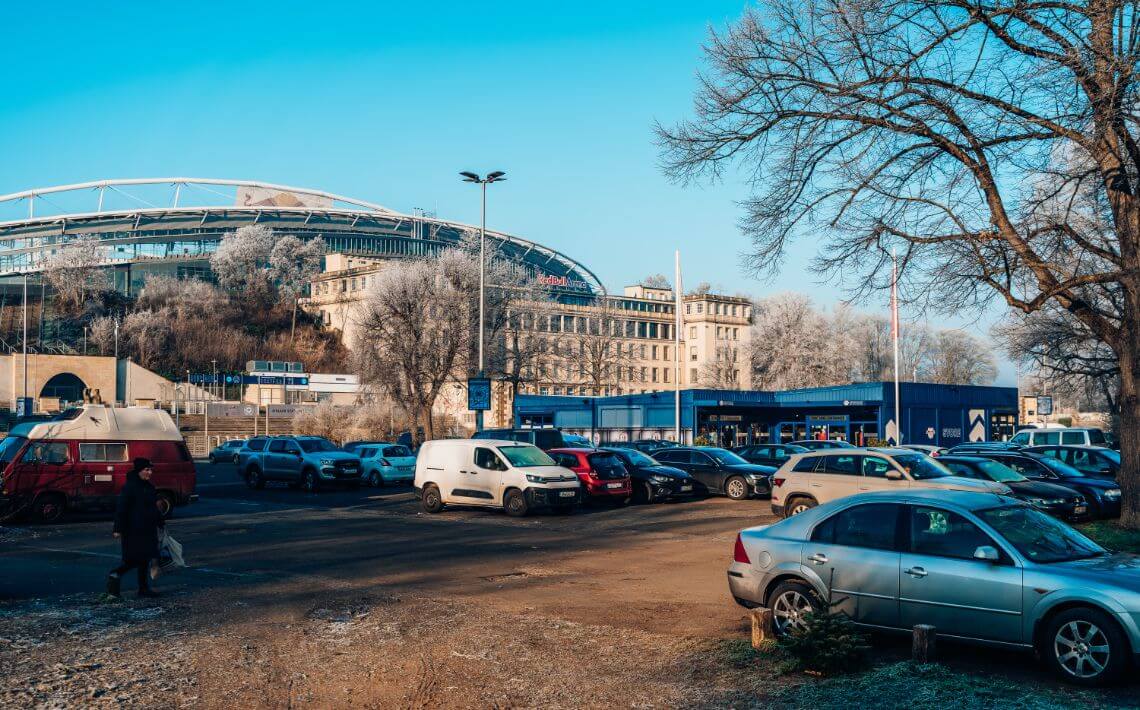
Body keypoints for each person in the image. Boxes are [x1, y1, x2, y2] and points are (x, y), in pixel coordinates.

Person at [103, 458, 165, 600]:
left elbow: (152, 508)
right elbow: (122, 508)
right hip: (133, 530)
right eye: (147, 470)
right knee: (134, 559)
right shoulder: (130, 487)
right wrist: (117, 528)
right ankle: (115, 576)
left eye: (151, 470)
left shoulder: (149, 486)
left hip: (148, 528)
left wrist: (160, 522)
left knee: (145, 559)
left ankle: (143, 589)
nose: (150, 472)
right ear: (139, 471)